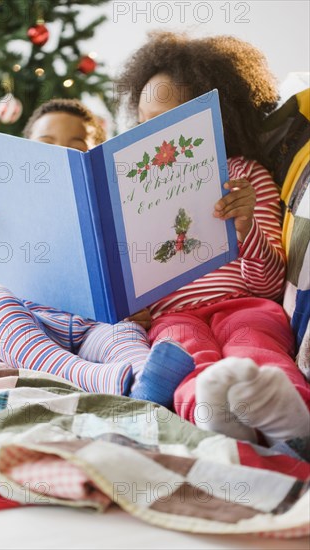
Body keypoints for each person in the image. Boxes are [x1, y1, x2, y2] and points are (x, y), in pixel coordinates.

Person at [116, 32, 310, 444]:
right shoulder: (129, 190)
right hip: (173, 315)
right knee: (182, 358)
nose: (156, 138)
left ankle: (291, 418)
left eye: (171, 122)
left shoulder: (244, 176)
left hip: (245, 304)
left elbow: (270, 285)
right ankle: (210, 417)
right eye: (146, 123)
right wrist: (129, 309)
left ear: (214, 118)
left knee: (253, 344)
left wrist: (247, 227)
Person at [0, 98, 193, 405]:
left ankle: (145, 380)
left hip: (96, 326)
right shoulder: (2, 200)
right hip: (31, 322)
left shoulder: (112, 207)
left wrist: (137, 303)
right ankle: (87, 376)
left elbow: (142, 264)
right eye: (46, 144)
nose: (59, 154)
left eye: (75, 147)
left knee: (126, 335)